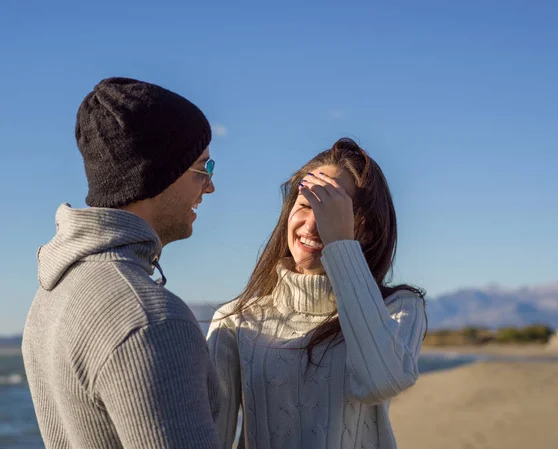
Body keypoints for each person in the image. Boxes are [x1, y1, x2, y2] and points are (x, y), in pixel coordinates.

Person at [22, 77, 221, 449]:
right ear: (156, 173)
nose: (209, 186)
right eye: (201, 167)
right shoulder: (150, 320)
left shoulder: (52, 292)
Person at [207, 138, 428, 449]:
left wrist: (340, 246)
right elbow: (210, 436)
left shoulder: (398, 307)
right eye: (305, 205)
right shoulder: (236, 321)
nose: (311, 226)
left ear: (366, 231)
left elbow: (382, 381)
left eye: (332, 212)